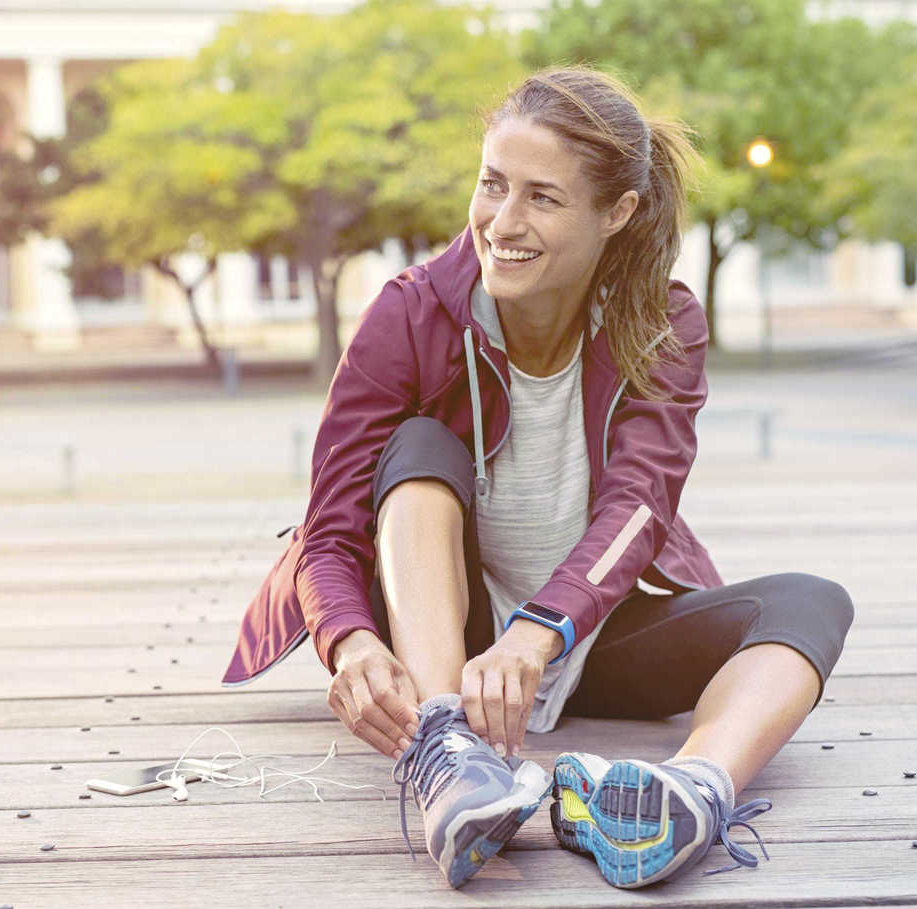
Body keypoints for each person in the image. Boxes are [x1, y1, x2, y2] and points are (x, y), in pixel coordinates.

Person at [222, 64, 855, 891]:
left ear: (617, 213)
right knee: (417, 447)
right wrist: (351, 640)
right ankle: (447, 756)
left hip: (583, 634)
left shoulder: (662, 323)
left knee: (812, 601)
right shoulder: (409, 314)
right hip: (444, 642)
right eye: (492, 185)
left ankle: (693, 791)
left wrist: (540, 631)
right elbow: (330, 529)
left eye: (542, 198)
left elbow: (641, 507)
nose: (502, 222)